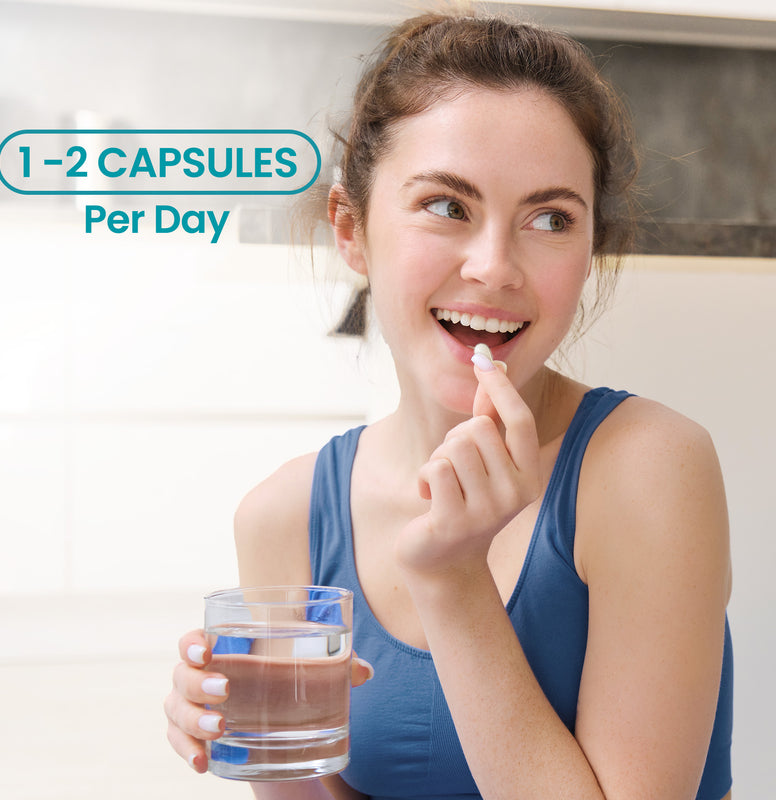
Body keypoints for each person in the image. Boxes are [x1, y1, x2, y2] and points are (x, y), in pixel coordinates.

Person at [164, 8, 733, 800]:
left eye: (549, 218)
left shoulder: (648, 466)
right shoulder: (283, 516)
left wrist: (453, 581)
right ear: (351, 228)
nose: (495, 267)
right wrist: (257, 743)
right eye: (445, 205)